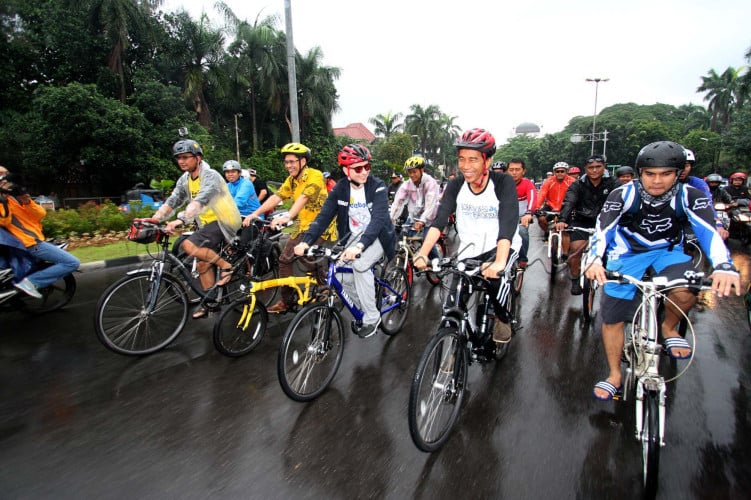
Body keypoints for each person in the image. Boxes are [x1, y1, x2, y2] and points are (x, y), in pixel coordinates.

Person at [584, 141, 740, 400]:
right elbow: (603, 229)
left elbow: (708, 230)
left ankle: (668, 327)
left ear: (678, 173)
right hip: (626, 254)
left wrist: (724, 265)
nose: (657, 181)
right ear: (640, 173)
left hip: (667, 253)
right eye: (650, 174)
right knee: (611, 318)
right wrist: (594, 260)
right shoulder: (622, 194)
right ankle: (614, 374)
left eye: (666, 174)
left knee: (688, 287)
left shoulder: (691, 195)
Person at [413, 128, 520, 345]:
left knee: (497, 283)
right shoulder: (456, 184)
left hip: (500, 246)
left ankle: (502, 318)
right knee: (452, 304)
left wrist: (499, 261)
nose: (465, 166)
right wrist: (423, 253)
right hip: (469, 249)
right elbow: (440, 220)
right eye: (462, 159)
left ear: (487, 161)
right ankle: (450, 356)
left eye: (473, 160)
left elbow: (508, 221)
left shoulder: (503, 183)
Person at [294, 144, 396, 338]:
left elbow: (378, 220)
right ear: (346, 170)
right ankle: (365, 306)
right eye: (359, 168)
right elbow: (323, 217)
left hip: (378, 237)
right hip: (353, 238)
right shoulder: (340, 188)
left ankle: (372, 318)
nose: (365, 172)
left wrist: (360, 246)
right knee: (340, 276)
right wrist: (306, 241)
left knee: (359, 265)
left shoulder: (378, 185)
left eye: (368, 166)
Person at [151, 139, 242, 318]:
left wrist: (181, 219)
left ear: (198, 158)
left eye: (186, 157)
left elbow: (201, 200)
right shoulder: (185, 179)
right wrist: (155, 219)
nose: (181, 161)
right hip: (207, 225)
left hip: (225, 221)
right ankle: (211, 303)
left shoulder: (211, 175)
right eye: (178, 158)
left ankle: (226, 266)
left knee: (188, 246)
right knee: (202, 264)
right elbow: (174, 200)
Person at [244, 142, 334, 314]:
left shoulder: (314, 176)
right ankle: (287, 301)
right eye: (286, 162)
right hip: (303, 226)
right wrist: (255, 213)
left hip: (322, 225)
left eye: (292, 161)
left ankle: (324, 288)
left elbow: (304, 198)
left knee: (305, 256)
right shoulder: (291, 181)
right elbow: (277, 197)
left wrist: (289, 216)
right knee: (285, 260)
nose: (288, 166)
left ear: (303, 162)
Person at [0, 173, 80, 299]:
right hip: (30, 243)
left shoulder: (18, 199)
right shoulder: (5, 200)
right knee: (72, 262)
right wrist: (3, 200)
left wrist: (27, 202)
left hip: (33, 240)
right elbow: (4, 221)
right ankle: (31, 282)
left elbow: (40, 214)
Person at [557, 153, 619, 295]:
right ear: (586, 168)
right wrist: (562, 220)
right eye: (591, 167)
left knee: (613, 253)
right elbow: (569, 202)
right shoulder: (577, 185)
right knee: (575, 249)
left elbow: (622, 202)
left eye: (598, 166)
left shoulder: (614, 183)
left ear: (604, 167)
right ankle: (574, 280)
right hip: (582, 221)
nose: (595, 170)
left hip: (607, 223)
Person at [389, 155, 441, 251]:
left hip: (431, 217)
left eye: (414, 172)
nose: (412, 175)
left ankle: (435, 262)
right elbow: (398, 203)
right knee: (402, 238)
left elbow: (430, 206)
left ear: (422, 170)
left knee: (427, 242)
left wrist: (422, 221)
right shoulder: (407, 185)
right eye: (409, 172)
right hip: (414, 217)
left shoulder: (430, 183)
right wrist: (391, 218)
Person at [535, 162, 574, 252]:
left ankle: (565, 254)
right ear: (554, 172)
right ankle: (548, 232)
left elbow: (576, 196)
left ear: (566, 172)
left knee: (565, 231)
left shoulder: (572, 182)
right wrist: (536, 207)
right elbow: (542, 194)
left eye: (562, 171)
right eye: (557, 171)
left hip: (566, 207)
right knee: (541, 218)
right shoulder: (549, 181)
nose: (559, 173)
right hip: (551, 206)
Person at [506, 158, 537, 267]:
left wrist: (529, 213)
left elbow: (532, 199)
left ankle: (522, 259)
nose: (514, 173)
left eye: (517, 169)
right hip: (505, 217)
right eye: (511, 170)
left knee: (522, 232)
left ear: (523, 171)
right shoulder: (502, 184)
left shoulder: (527, 184)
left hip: (522, 217)